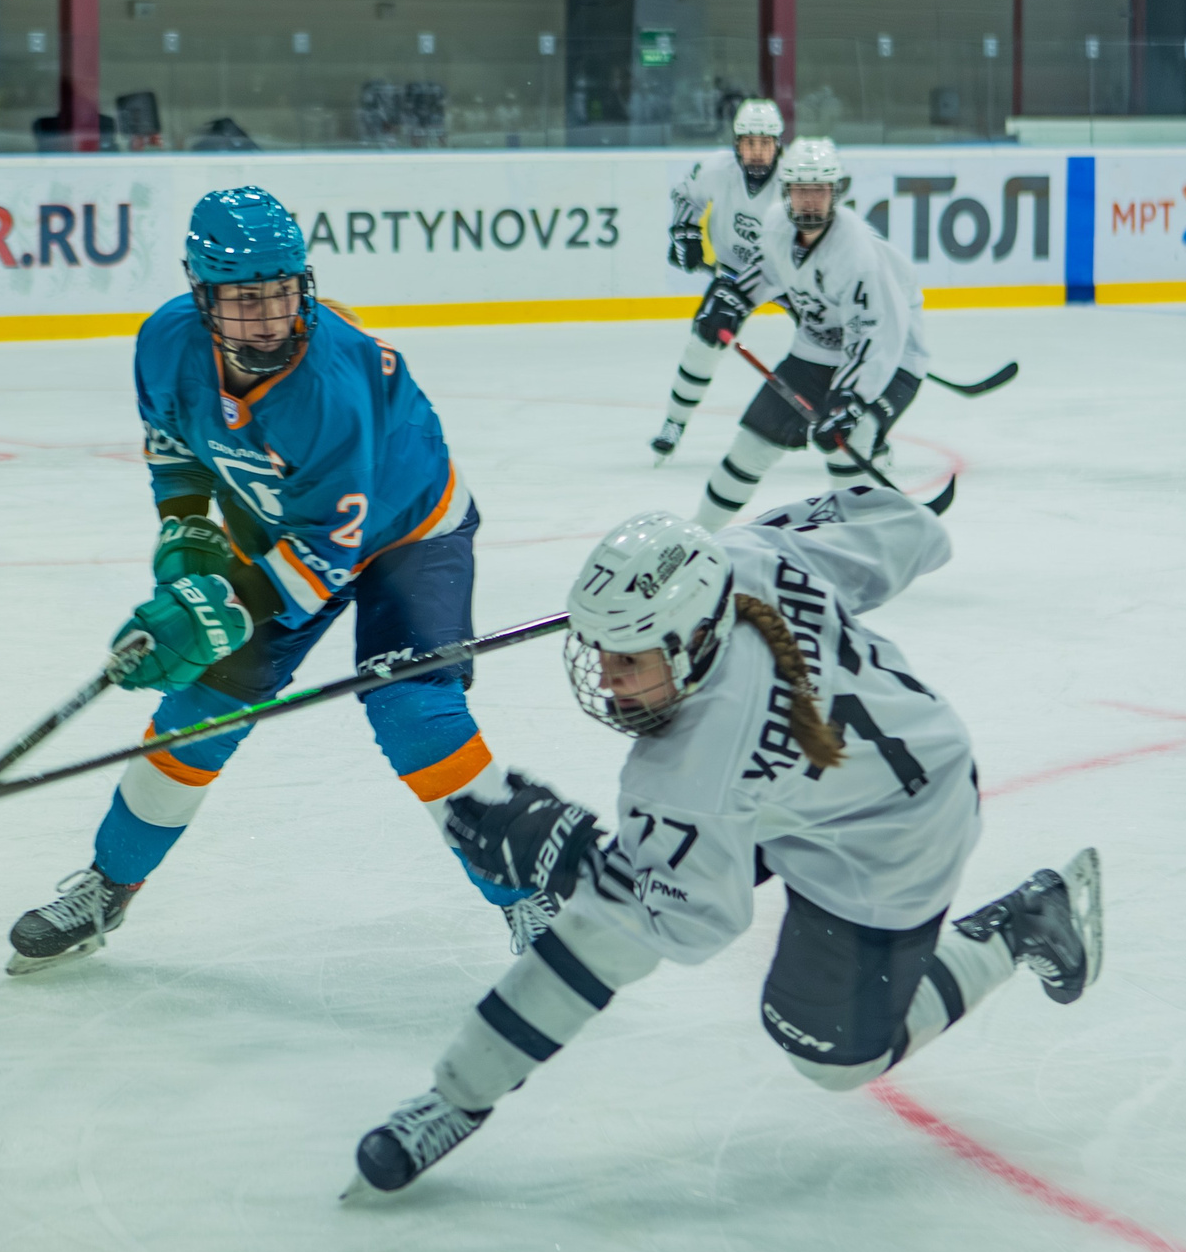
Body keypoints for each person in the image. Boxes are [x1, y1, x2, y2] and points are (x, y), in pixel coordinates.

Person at [346, 490, 1102, 1193]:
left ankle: (1019, 925)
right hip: (858, 765)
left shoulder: (689, 769)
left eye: (629, 657)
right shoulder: (751, 559)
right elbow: (900, 530)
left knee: (828, 1052)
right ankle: (457, 1098)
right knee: (608, 923)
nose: (608, 680)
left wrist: (571, 856)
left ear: (690, 639)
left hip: (895, 834)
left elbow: (689, 923)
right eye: (602, 648)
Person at [4, 187, 547, 975]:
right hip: (285, 524)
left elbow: (329, 553)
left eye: (283, 293)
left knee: (413, 708)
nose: (268, 318)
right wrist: (188, 541)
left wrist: (217, 607)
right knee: (197, 711)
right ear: (201, 296)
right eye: (245, 298)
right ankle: (106, 886)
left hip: (410, 530)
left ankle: (529, 895)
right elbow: (175, 443)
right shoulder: (165, 342)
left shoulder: (331, 382)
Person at [695, 137, 924, 529]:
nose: (810, 200)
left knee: (846, 447)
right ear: (786, 193)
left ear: (836, 192)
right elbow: (767, 272)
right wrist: (731, 303)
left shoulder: (857, 255)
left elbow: (875, 338)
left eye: (820, 190)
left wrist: (850, 400)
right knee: (751, 445)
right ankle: (700, 537)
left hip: (891, 359)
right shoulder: (775, 226)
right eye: (801, 190)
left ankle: (858, 546)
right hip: (816, 351)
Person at [652, 98, 787, 462]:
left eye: (765, 143)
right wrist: (686, 234)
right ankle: (674, 423)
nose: (757, 152)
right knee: (705, 337)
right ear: (736, 144)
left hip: (790, 277)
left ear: (778, 144)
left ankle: (855, 425)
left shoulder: (794, 182)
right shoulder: (715, 170)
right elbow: (685, 194)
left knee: (828, 341)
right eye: (749, 142)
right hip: (737, 273)